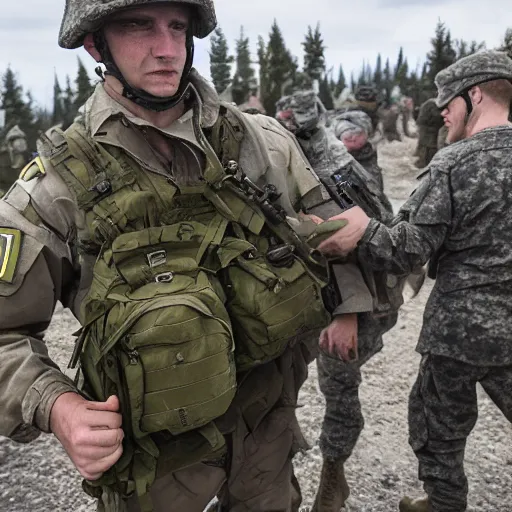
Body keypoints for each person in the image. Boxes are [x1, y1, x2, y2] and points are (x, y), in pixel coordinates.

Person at [0, 2, 374, 512]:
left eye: (177, 27)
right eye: (139, 26)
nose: (167, 48)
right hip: (154, 452)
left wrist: (346, 279)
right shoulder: (55, 187)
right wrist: (59, 407)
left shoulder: (264, 143)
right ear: (95, 44)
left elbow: (330, 233)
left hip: (266, 426)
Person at [316, 50, 512, 512]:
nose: (443, 109)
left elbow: (405, 250)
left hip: (460, 332)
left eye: (449, 101)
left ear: (476, 94)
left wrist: (361, 233)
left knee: (438, 427)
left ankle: (443, 503)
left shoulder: (454, 164)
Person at [276, 89, 403, 512]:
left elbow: (351, 240)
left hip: (355, 296)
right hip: (294, 294)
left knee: (338, 381)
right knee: (269, 386)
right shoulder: (268, 152)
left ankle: (334, 477)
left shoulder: (333, 164)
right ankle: (275, 483)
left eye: (297, 119)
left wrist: (347, 311)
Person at [0, 124, 30, 197]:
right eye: (17, 141)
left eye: (22, 142)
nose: (20, 144)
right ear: (9, 144)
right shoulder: (2, 158)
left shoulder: (27, 159)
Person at [415, 98, 445, 168]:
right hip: (428, 128)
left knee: (426, 145)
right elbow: (436, 115)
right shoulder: (433, 104)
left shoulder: (431, 102)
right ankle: (426, 163)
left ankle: (424, 162)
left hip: (426, 127)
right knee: (430, 146)